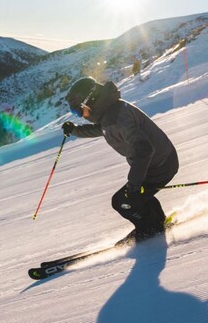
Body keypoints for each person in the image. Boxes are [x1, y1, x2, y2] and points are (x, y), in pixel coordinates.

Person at [62, 77, 179, 243]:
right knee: (137, 196)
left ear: (90, 101)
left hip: (159, 165)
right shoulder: (110, 112)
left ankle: (151, 229)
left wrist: (134, 185)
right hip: (159, 160)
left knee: (122, 201)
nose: (80, 116)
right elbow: (102, 129)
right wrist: (75, 130)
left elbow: (144, 149)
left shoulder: (116, 119)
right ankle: (155, 221)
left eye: (78, 111)